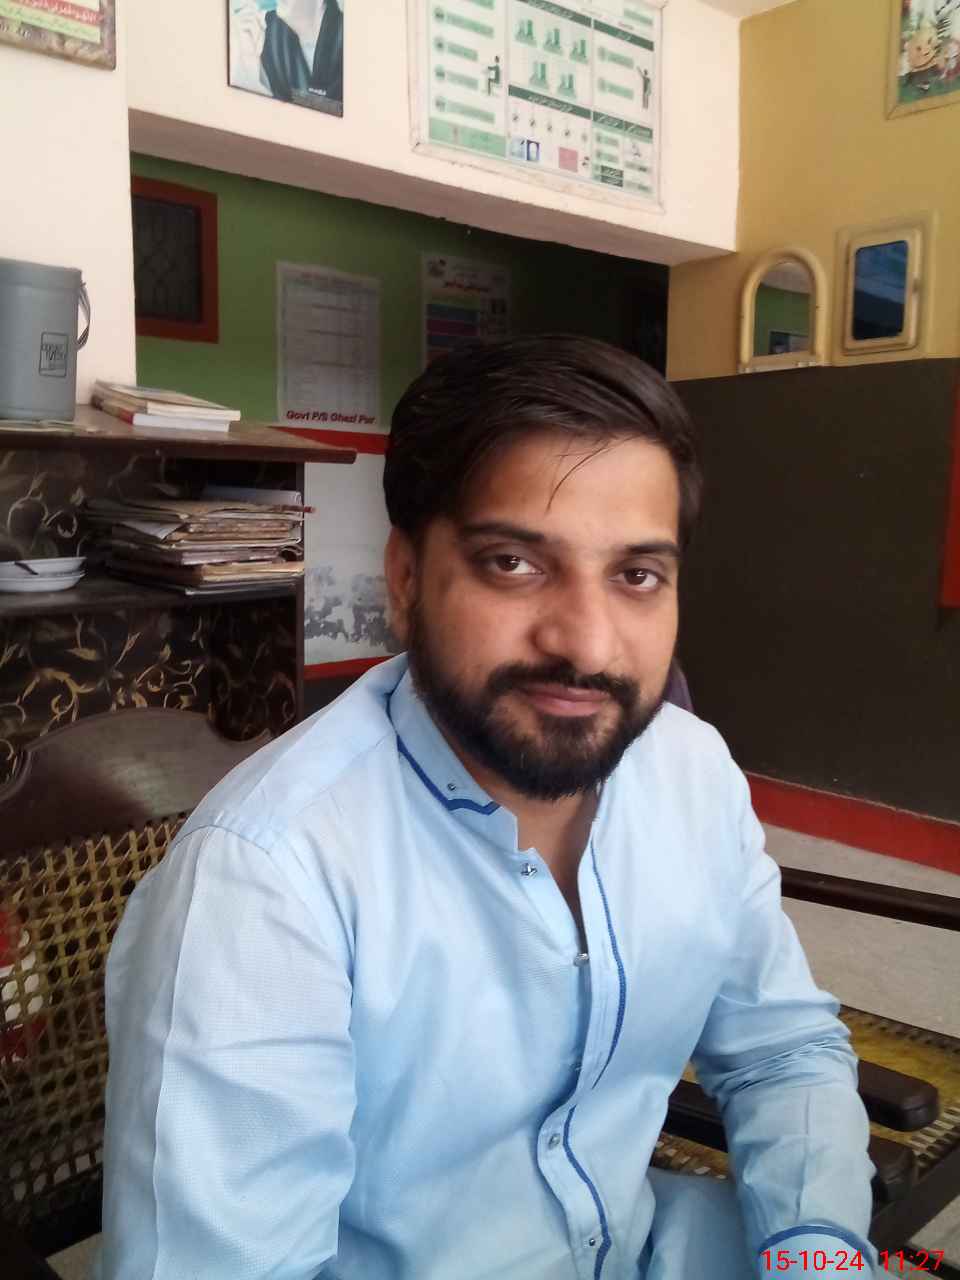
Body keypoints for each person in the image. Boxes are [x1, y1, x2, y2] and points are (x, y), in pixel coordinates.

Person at [97, 336, 875, 1280]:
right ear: (405, 580)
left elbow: (783, 1051)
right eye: (513, 563)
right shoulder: (266, 881)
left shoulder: (692, 771)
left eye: (636, 575)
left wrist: (816, 1254)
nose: (586, 645)